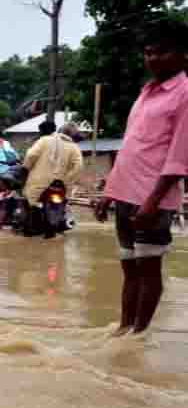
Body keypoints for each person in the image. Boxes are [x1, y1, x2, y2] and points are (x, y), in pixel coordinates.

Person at [95, 18, 188, 335]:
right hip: (124, 193)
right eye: (148, 52)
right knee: (129, 268)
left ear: (182, 54)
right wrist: (109, 191)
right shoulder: (147, 92)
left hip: (152, 199)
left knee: (148, 269)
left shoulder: (184, 94)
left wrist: (153, 202)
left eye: (161, 52)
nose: (152, 59)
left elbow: (179, 158)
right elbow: (132, 146)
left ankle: (139, 335)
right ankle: (123, 330)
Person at [24, 122, 84, 212]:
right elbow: (78, 167)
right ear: (73, 135)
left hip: (37, 187)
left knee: (29, 207)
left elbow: (31, 155)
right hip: (60, 187)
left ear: (60, 130)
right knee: (63, 210)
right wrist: (67, 181)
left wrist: (26, 168)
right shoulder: (75, 148)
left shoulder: (44, 140)